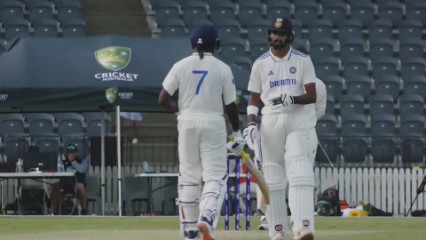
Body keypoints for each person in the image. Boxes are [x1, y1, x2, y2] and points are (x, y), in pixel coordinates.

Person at [158, 24, 244, 240]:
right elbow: (231, 105)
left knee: (188, 177)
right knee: (215, 175)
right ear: (215, 44)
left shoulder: (180, 65)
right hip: (213, 122)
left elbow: (162, 99)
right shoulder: (223, 68)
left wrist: (180, 110)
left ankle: (189, 231)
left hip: (186, 121)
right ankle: (206, 217)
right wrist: (238, 133)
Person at [246, 17, 318, 240]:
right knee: (273, 175)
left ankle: (303, 227)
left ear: (290, 36)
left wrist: (293, 99)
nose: (276, 37)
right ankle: (277, 230)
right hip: (271, 119)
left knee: (300, 172)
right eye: (273, 34)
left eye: (281, 34)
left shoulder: (303, 60)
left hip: (297, 119)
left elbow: (312, 95)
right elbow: (254, 99)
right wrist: (250, 123)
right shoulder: (260, 63)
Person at [255, 77, 327, 231]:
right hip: (282, 133)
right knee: (275, 175)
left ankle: (297, 218)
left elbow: (319, 111)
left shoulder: (317, 84)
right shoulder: (275, 81)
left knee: (298, 178)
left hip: (302, 134)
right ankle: (272, 218)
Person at [50, 143, 89, 215]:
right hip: (65, 184)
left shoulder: (83, 161)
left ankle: (84, 210)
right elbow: (59, 172)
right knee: (55, 186)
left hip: (77, 184)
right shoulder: (62, 163)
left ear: (77, 153)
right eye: (69, 152)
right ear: (66, 153)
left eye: (73, 152)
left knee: (80, 186)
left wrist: (73, 162)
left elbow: (82, 170)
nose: (71, 154)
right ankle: (53, 210)